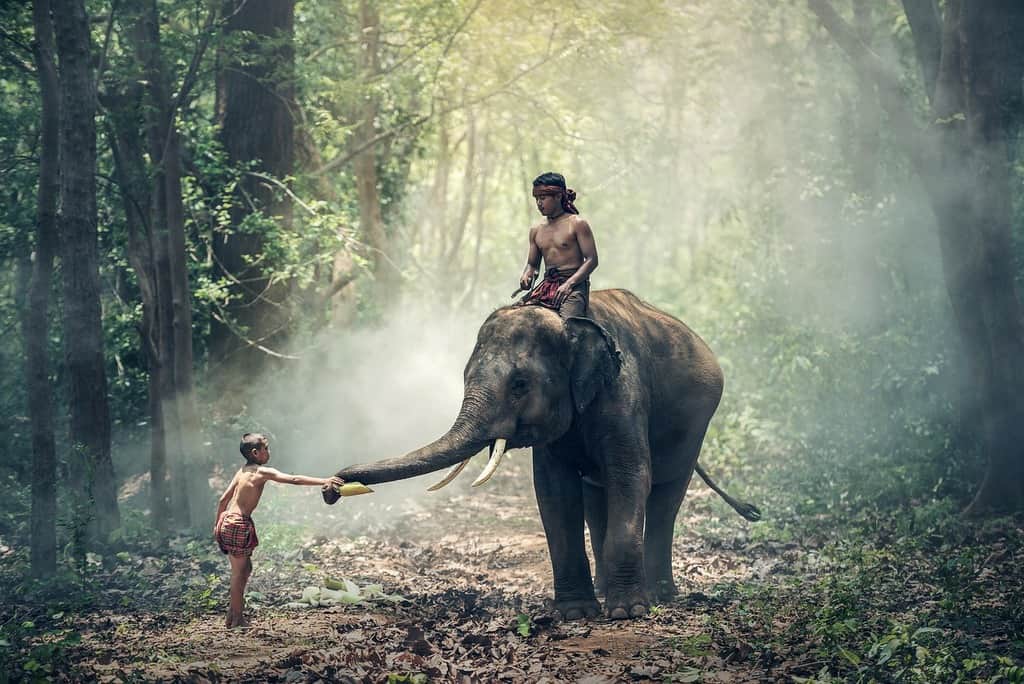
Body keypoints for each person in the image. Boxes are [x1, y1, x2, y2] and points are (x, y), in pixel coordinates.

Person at [214, 432, 343, 628]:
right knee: (239, 574)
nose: (269, 451)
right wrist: (325, 480)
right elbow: (294, 479)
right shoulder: (261, 472)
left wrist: (217, 526)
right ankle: (237, 620)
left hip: (228, 520)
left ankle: (233, 612)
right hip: (238, 523)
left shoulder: (242, 471)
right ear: (256, 453)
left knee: (244, 569)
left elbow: (223, 499)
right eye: (266, 448)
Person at [515, 172, 599, 320]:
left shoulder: (577, 224)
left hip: (574, 287)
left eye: (543, 198)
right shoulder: (536, 230)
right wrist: (527, 274)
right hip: (546, 286)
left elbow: (592, 260)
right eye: (536, 199)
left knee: (569, 326)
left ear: (558, 196)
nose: (539, 203)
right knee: (515, 318)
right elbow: (532, 264)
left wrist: (569, 284)